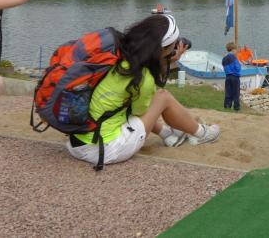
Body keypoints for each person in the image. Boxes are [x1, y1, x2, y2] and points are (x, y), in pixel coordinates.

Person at [66, 15, 220, 166]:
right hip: (104, 149)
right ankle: (202, 133)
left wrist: (166, 59)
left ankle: (168, 135)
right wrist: (165, 62)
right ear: (161, 50)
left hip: (78, 142)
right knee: (162, 97)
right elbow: (140, 112)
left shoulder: (118, 56)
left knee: (133, 103)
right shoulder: (142, 76)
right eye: (173, 46)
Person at [222, 42, 241, 111]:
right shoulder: (234, 58)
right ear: (233, 49)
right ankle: (236, 107)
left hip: (228, 77)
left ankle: (227, 106)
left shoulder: (224, 58)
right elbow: (237, 68)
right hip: (235, 77)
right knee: (236, 93)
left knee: (228, 92)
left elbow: (224, 67)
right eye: (236, 50)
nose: (236, 51)